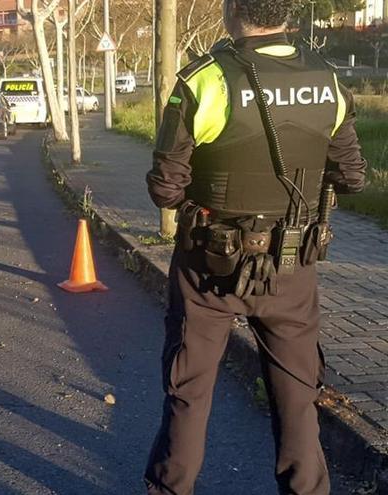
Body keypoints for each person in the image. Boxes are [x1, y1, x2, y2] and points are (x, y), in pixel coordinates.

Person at [144, 0, 367, 493]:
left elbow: (165, 187)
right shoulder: (326, 80)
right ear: (288, 14)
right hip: (291, 266)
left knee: (189, 391)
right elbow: (352, 176)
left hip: (209, 265)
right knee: (297, 395)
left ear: (229, 11)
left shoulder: (203, 80)